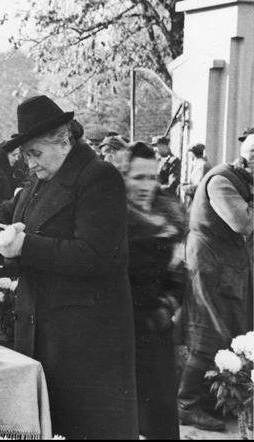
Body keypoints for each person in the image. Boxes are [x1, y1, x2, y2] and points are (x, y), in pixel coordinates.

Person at [0, 96, 138, 439]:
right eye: (26, 156)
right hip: (44, 330)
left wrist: (26, 246)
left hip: (85, 341)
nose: (30, 163)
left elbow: (95, 255)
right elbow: (13, 209)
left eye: (35, 153)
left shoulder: (99, 177)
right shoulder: (44, 178)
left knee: (81, 427)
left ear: (64, 141)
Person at [178, 133, 254, 431]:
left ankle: (211, 402)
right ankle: (186, 405)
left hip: (225, 267)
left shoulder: (240, 180)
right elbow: (242, 222)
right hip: (209, 267)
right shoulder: (221, 180)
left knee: (229, 334)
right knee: (207, 334)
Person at [121, 141, 186, 439]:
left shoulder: (170, 219)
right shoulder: (113, 220)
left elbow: (180, 275)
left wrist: (166, 306)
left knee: (159, 413)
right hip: (119, 332)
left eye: (152, 177)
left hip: (155, 330)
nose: (146, 185)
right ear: (123, 177)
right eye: (138, 178)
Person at [181, 143, 212, 207]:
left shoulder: (202, 165)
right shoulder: (198, 164)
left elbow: (199, 187)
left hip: (198, 203)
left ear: (192, 153)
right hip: (195, 200)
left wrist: (183, 188)